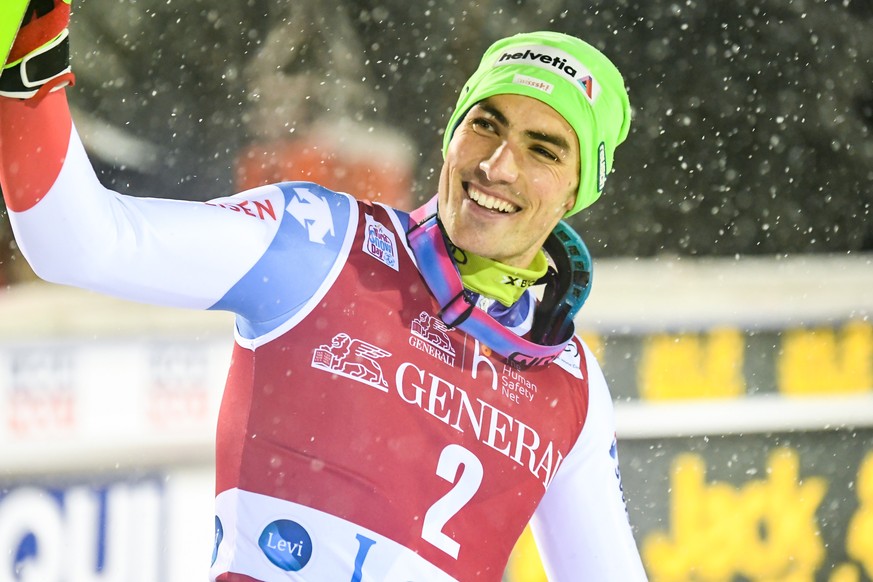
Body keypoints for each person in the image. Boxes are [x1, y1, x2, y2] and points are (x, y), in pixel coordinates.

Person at [0, 2, 646, 581]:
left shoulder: (571, 384)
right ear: (452, 132)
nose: (497, 166)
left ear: (576, 190)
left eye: (542, 150)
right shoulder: (320, 244)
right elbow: (82, 244)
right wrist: (24, 58)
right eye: (485, 124)